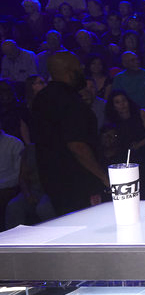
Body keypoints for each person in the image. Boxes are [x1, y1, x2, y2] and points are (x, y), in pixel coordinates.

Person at [30, 51, 109, 216]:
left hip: (52, 179)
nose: (82, 69)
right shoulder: (70, 101)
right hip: (78, 181)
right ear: (69, 72)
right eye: (78, 67)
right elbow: (77, 145)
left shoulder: (40, 98)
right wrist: (103, 177)